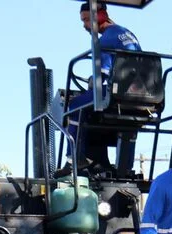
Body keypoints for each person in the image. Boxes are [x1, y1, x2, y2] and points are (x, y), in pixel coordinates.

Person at [65, 1, 142, 168]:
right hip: (140, 94)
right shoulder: (126, 33)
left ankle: (74, 158)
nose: (84, 25)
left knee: (74, 105)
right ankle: (124, 167)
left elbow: (102, 74)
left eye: (86, 20)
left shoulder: (105, 40)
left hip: (118, 93)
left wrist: (92, 81)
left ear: (99, 16)